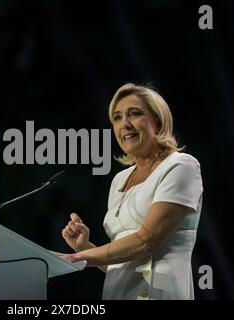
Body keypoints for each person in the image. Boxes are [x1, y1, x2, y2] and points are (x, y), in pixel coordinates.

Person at [59, 83, 203, 300]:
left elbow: (146, 241)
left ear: (157, 120)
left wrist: (79, 256)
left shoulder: (181, 166)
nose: (124, 124)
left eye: (134, 114)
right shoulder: (120, 179)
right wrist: (86, 247)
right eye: (117, 118)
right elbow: (124, 265)